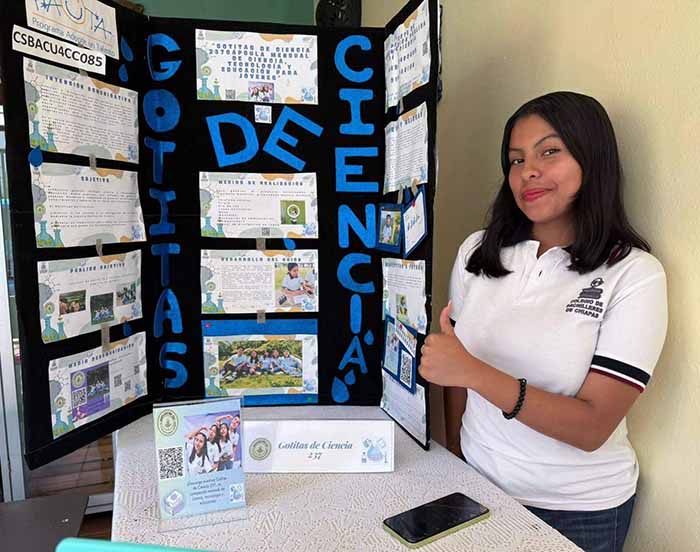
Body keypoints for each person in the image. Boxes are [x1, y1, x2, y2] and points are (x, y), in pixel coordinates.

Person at [418, 92, 667, 552]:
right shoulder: (478, 252)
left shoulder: (633, 273)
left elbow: (592, 427)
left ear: (592, 159)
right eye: (516, 159)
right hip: (477, 487)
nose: (527, 172)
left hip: (576, 511)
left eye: (549, 152)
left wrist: (473, 372)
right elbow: (455, 371)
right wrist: (457, 458)